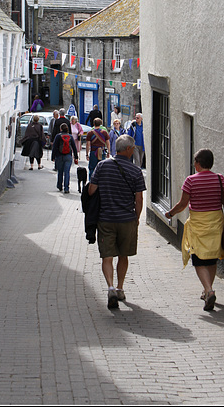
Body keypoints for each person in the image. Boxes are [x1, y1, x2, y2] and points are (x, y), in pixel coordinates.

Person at [165, 148, 224, 311]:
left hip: (198, 223)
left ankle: (209, 290)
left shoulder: (191, 181)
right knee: (212, 257)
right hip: (215, 223)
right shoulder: (219, 178)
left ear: (198, 163)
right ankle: (207, 289)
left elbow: (183, 204)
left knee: (198, 258)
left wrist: (171, 213)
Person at [88, 134, 146, 309]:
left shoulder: (102, 166)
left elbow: (91, 191)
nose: (134, 149)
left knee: (107, 256)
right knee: (123, 254)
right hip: (127, 219)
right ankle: (120, 288)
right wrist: (136, 217)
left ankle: (110, 287)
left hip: (105, 219)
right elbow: (139, 199)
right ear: (128, 149)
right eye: (133, 147)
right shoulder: (136, 171)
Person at [52, 123, 78, 193]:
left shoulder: (58, 136)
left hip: (59, 156)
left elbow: (54, 147)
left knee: (60, 172)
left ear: (60, 129)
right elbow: (74, 147)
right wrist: (76, 157)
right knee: (67, 172)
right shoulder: (70, 136)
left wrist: (53, 157)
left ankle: (60, 186)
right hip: (68, 156)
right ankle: (66, 188)